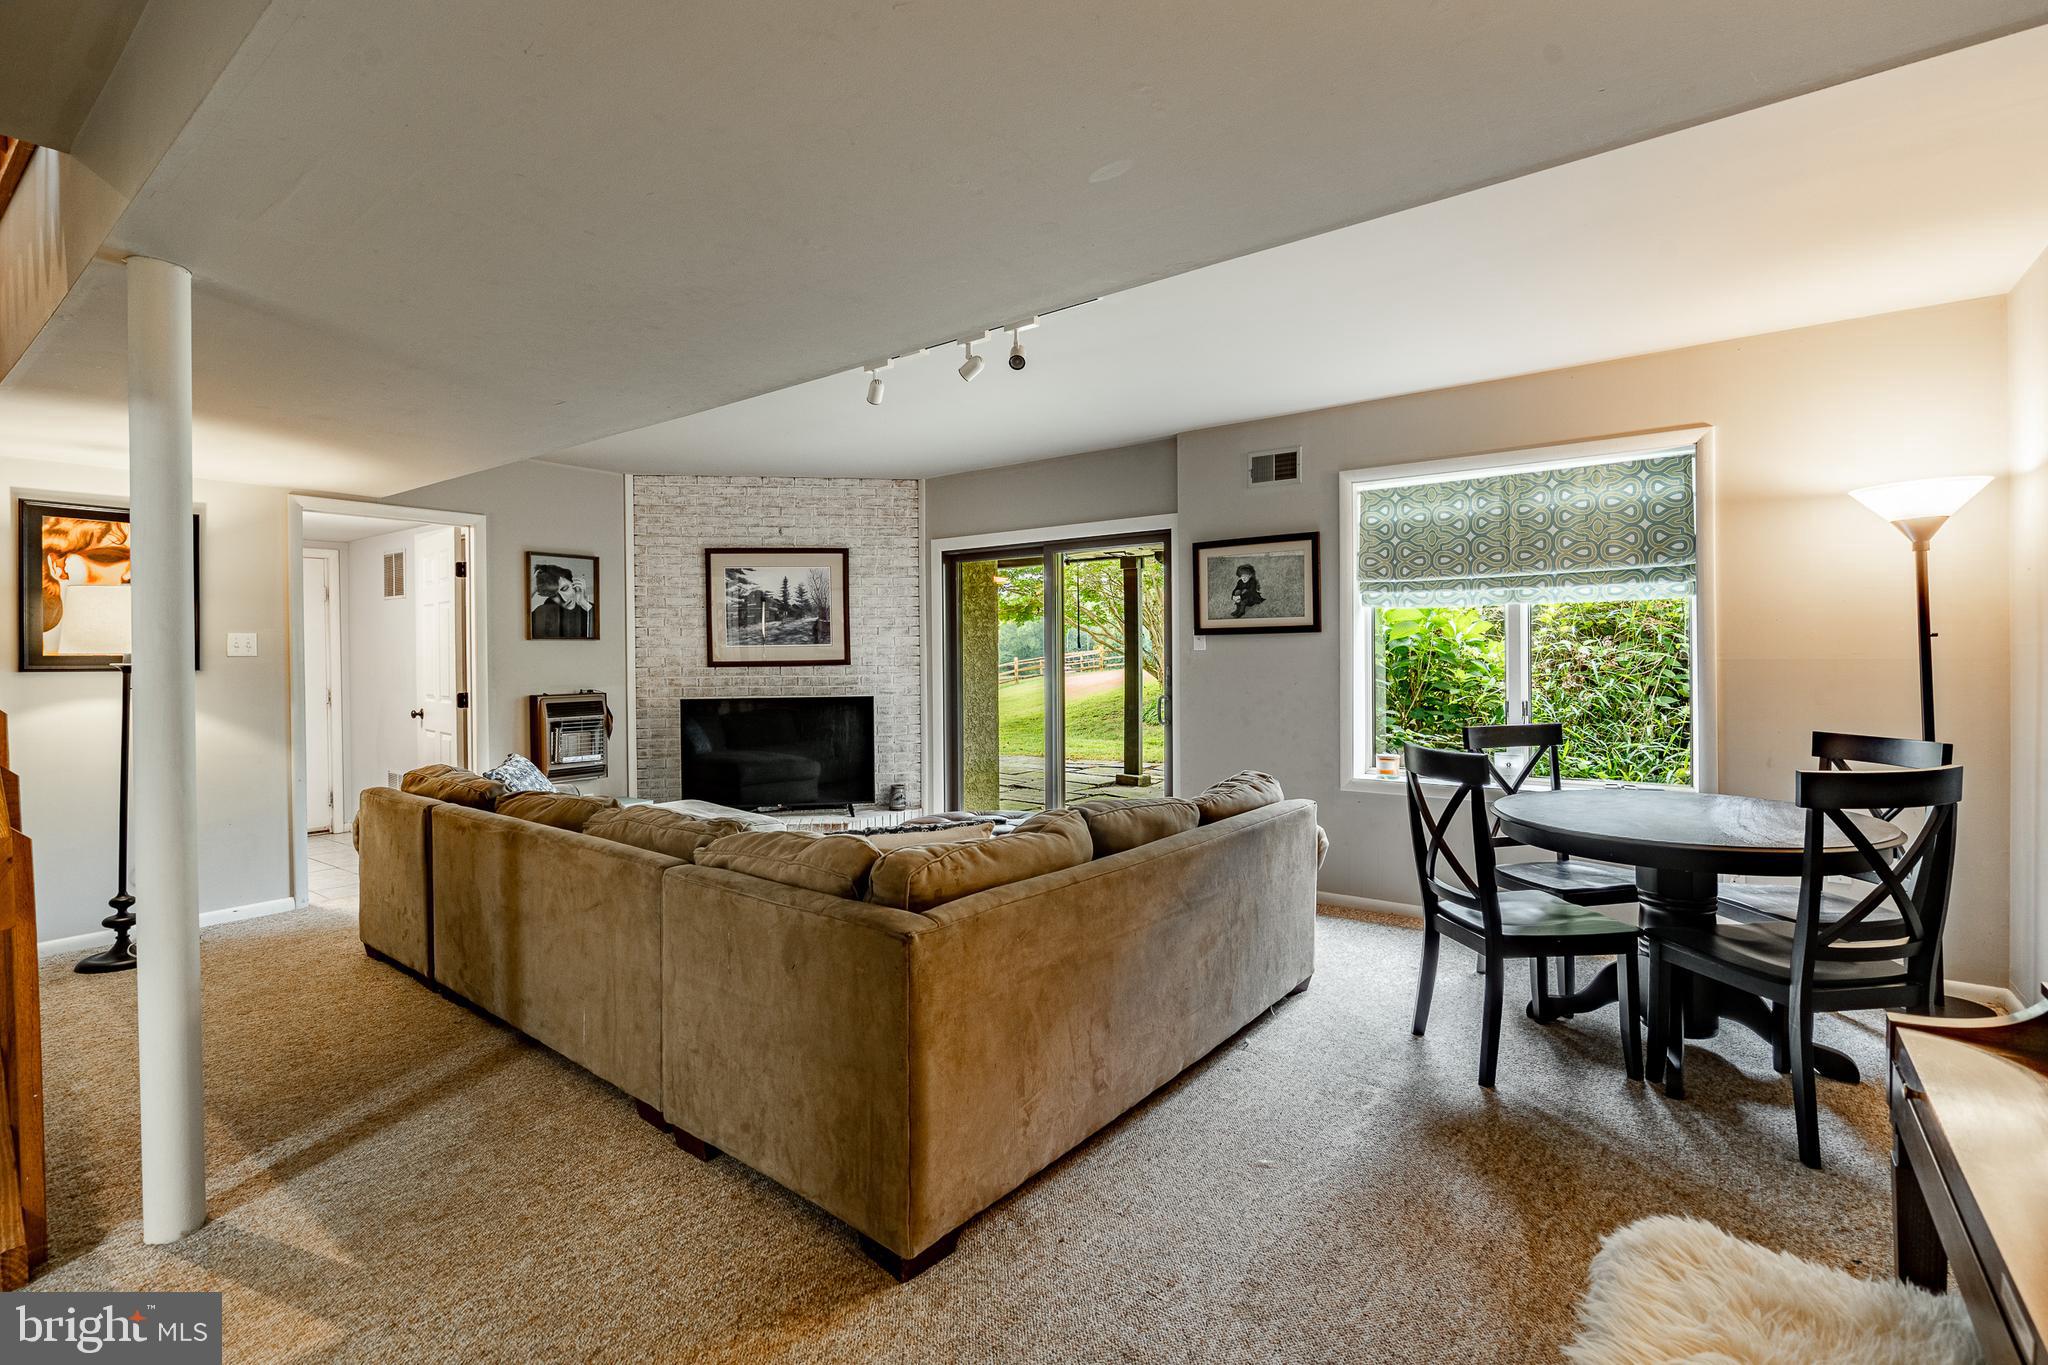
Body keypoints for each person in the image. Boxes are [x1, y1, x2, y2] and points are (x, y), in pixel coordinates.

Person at [531, 562, 594, 639]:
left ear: (573, 583)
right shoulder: (543, 612)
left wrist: (584, 603)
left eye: (565, 588)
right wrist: (533, 586)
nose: (564, 599)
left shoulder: (589, 608)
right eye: (554, 595)